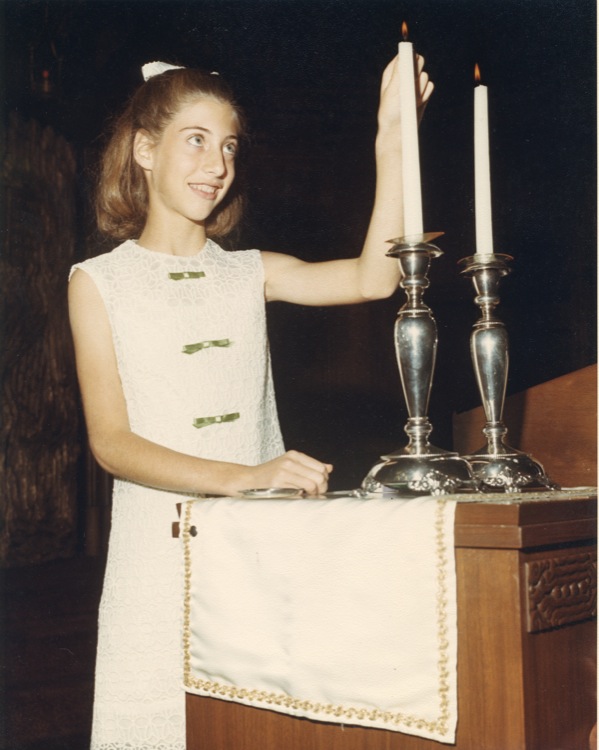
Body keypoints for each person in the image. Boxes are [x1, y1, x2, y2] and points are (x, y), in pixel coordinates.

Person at [68, 54, 433, 750]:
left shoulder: (248, 272)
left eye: (229, 145)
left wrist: (393, 143)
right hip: (156, 571)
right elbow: (111, 442)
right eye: (196, 139)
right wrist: (248, 476)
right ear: (145, 149)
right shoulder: (98, 282)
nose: (217, 163)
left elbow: (374, 277)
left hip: (260, 560)